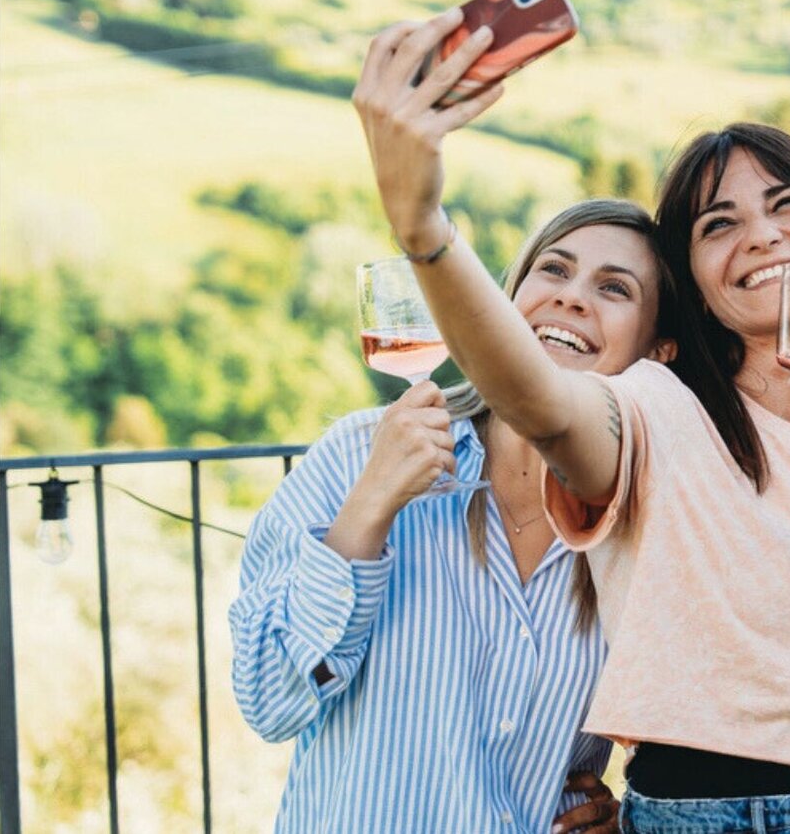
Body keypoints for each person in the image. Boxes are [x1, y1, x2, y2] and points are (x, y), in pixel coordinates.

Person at [352, 8, 790, 834]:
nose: (760, 236)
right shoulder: (654, 407)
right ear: (694, 277)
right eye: (718, 224)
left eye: (788, 203)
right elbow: (538, 398)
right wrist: (424, 227)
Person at [229, 196, 667, 834]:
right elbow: (270, 701)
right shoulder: (358, 454)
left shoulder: (650, 519)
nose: (573, 298)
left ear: (660, 353)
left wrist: (626, 820)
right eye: (554, 270)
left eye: (613, 287)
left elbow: (692, 731)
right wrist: (373, 502)